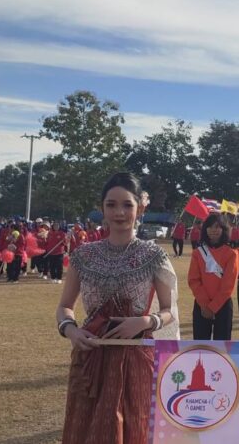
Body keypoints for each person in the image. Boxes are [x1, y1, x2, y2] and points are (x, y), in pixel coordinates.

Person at [56, 172, 179, 444]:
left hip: (135, 357)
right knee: (84, 428)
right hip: (90, 357)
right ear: (102, 208)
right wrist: (71, 330)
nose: (119, 212)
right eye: (111, 205)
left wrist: (146, 321)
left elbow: (169, 310)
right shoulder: (83, 255)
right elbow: (64, 306)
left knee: (134, 427)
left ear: (140, 208)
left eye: (127, 205)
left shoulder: (153, 255)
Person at [188, 213, 238, 340]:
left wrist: (213, 307)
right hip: (201, 305)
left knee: (221, 347)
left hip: (223, 305)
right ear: (205, 229)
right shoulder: (198, 253)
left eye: (217, 226)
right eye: (210, 226)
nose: (213, 230)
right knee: (200, 345)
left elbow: (228, 285)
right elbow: (193, 280)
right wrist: (205, 304)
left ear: (223, 229)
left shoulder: (231, 253)